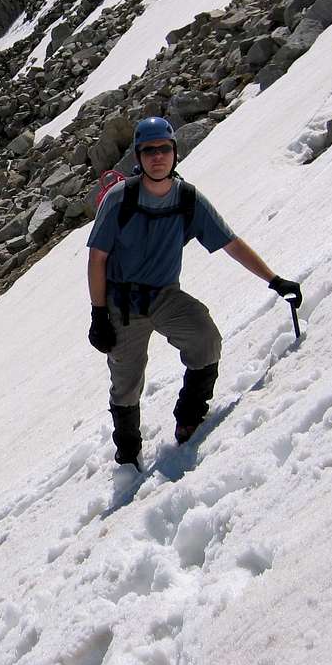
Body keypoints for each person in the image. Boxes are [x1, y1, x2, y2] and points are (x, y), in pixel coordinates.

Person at [86, 116, 301, 468]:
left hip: (164, 294)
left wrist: (274, 280)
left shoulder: (187, 198)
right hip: (122, 303)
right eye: (150, 151)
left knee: (205, 338)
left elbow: (230, 242)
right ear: (138, 157)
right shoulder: (120, 199)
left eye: (165, 149)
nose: (158, 157)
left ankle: (189, 418)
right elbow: (97, 259)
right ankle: (128, 454)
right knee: (126, 382)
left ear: (175, 153)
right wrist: (98, 314)